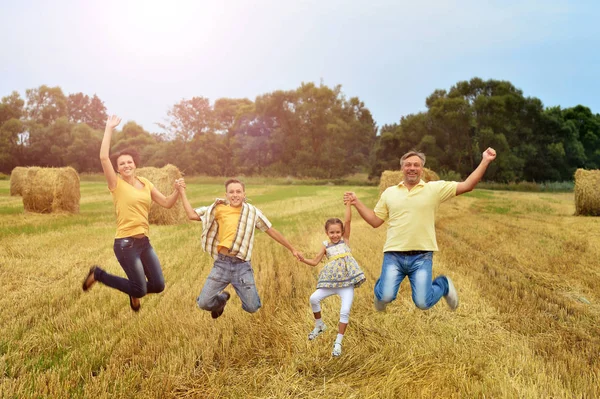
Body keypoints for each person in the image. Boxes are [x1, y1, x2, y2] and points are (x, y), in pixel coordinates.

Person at [344, 147, 497, 313]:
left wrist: (485, 160)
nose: (412, 168)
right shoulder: (389, 193)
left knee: (423, 303)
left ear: (422, 169)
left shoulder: (434, 189)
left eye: (416, 165)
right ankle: (382, 290)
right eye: (408, 164)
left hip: (421, 256)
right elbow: (375, 221)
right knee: (385, 296)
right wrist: (356, 202)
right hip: (394, 254)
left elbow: (467, 185)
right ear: (402, 168)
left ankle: (443, 284)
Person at [81, 115, 181, 311]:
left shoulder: (146, 183)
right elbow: (103, 157)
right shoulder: (115, 184)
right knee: (140, 289)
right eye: (122, 164)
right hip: (125, 244)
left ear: (135, 163)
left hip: (144, 242)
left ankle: (135, 290)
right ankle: (99, 274)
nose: (126, 165)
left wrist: (178, 190)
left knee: (158, 286)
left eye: (129, 162)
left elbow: (167, 203)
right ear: (117, 169)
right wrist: (109, 127)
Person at [176, 178, 302, 318]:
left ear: (244, 194)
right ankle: (221, 300)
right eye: (231, 192)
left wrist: (292, 249)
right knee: (203, 303)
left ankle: (236, 298)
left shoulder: (252, 212)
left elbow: (271, 230)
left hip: (242, 266)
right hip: (222, 264)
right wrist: (181, 192)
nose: (235, 195)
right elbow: (192, 215)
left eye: (238, 191)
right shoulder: (219, 209)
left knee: (252, 307)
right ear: (226, 195)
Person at [299, 201, 366, 357]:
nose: (335, 235)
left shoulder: (345, 241)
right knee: (313, 298)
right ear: (327, 233)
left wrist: (349, 204)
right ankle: (319, 325)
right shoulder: (325, 246)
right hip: (331, 282)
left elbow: (348, 221)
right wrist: (302, 259)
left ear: (342, 232)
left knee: (344, 311)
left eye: (337, 232)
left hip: (346, 284)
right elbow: (315, 261)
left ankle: (338, 342)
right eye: (332, 232)